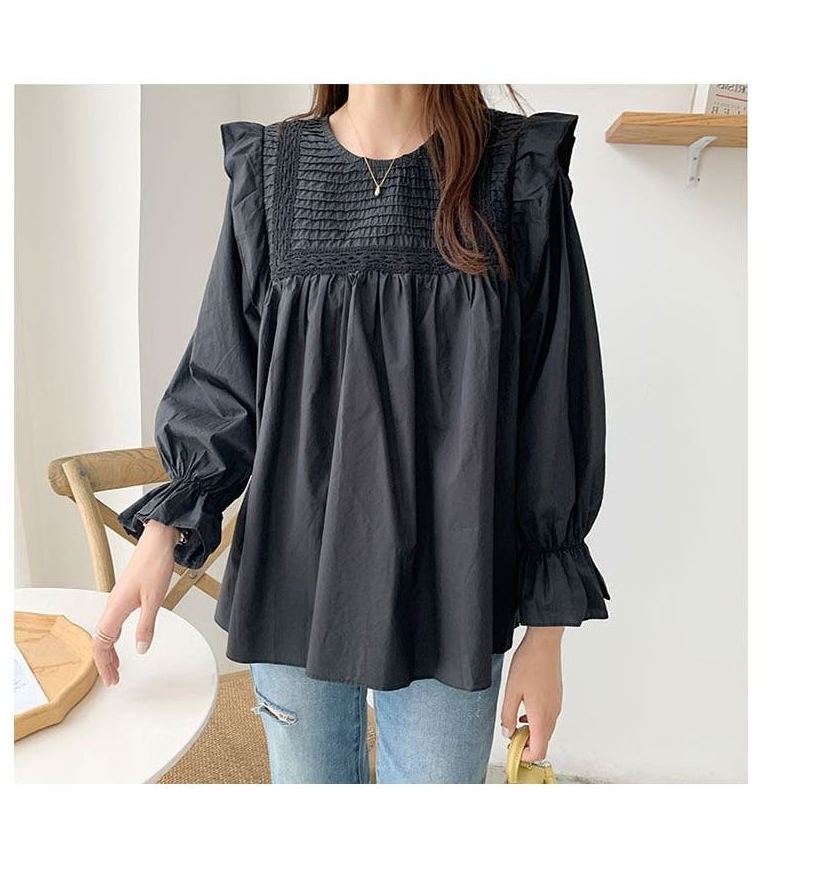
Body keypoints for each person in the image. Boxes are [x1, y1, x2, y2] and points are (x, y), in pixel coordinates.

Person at [96, 84, 611, 784]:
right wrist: (165, 527)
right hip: (294, 576)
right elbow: (225, 372)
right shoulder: (273, 169)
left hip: (452, 589)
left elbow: (554, 405)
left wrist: (545, 637)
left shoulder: (515, 169)